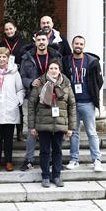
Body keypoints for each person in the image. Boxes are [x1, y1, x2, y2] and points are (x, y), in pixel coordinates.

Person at [28, 59, 76, 188]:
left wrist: (71, 127)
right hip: (43, 124)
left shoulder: (66, 85)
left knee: (57, 151)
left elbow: (72, 106)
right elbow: (31, 106)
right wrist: (31, 126)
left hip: (60, 124)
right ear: (47, 70)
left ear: (59, 70)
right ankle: (45, 176)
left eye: (56, 68)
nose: (53, 71)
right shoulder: (39, 84)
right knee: (44, 151)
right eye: (51, 68)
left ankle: (57, 175)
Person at [19, 31, 62, 171]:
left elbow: (62, 74)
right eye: (39, 40)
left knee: (50, 129)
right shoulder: (28, 57)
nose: (41, 42)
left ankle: (50, 160)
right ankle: (29, 159)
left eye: (44, 39)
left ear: (48, 40)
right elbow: (22, 76)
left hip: (52, 97)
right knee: (32, 129)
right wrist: (31, 82)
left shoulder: (55, 56)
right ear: (35, 42)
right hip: (34, 96)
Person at [62, 35, 104, 172]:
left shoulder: (92, 61)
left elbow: (99, 81)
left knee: (91, 132)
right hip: (72, 103)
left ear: (83, 46)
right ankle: (74, 159)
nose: (78, 46)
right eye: (76, 43)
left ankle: (96, 160)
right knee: (74, 133)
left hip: (88, 102)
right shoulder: (66, 61)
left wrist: (93, 93)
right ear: (73, 45)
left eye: (81, 44)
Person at [0, 47, 25, 172]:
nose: (2, 59)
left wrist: (18, 101)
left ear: (8, 59)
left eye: (4, 57)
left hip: (10, 109)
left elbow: (20, 89)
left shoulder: (14, 72)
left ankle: (9, 161)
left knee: (9, 139)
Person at [0, 21, 29, 140]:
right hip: (4, 77)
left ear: (15, 29)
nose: (9, 31)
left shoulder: (24, 43)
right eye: (7, 29)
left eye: (11, 28)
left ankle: (19, 132)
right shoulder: (1, 44)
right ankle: (3, 131)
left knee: (18, 104)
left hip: (17, 76)